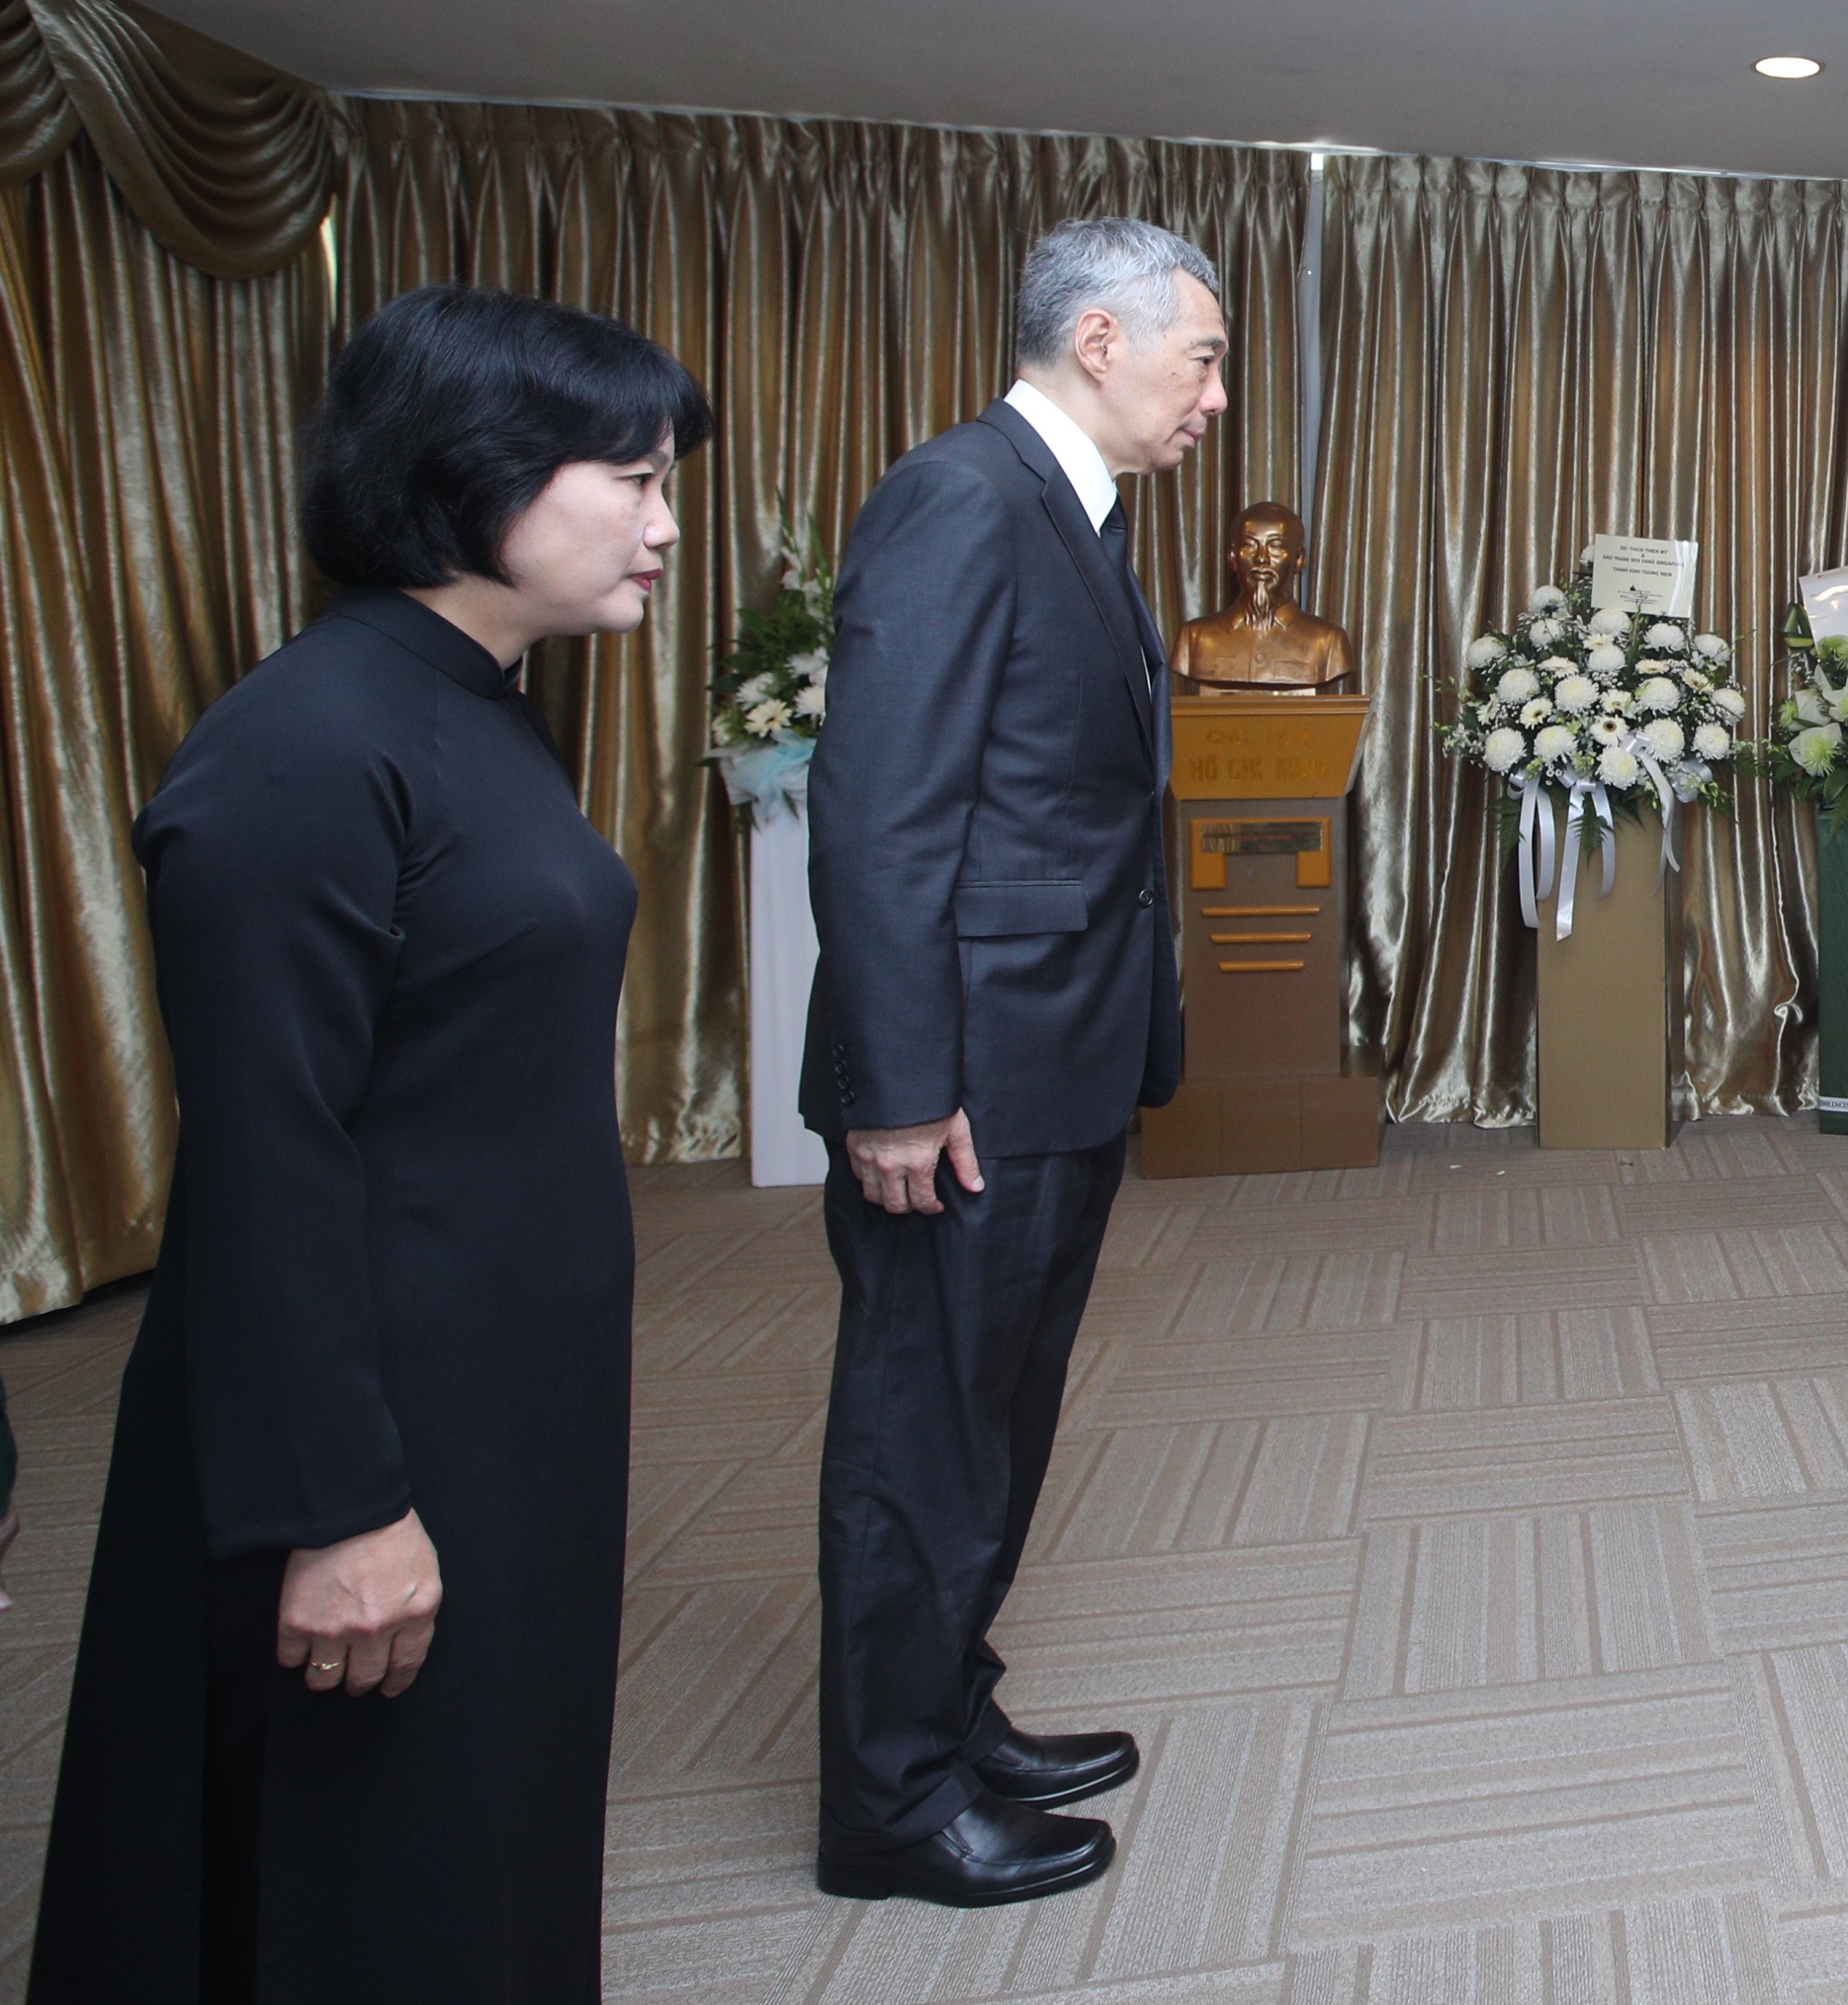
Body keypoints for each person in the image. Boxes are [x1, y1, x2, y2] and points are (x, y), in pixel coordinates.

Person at [31, 284, 707, 2003]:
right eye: (627, 478)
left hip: (498, 1380)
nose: (666, 521)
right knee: (366, 1846)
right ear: (475, 477)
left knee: (480, 1807)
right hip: (375, 1409)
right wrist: (336, 1509)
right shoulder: (305, 747)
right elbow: (267, 1157)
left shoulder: (478, 705)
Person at [801, 217, 1226, 1906]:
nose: (1215, 399)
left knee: (995, 1417)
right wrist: (898, 1087)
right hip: (962, 1086)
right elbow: (881, 812)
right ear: (1102, 341)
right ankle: (887, 1804)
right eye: (1202, 360)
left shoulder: (1070, 511)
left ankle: (944, 1709)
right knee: (922, 1439)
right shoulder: (963, 496)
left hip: (1051, 1059)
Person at [1168, 498, 1353, 690]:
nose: (1261, 558)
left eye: (1276, 546)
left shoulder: (1328, 642)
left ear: (1298, 559)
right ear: (1232, 557)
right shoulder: (1194, 637)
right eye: (1249, 546)